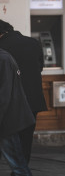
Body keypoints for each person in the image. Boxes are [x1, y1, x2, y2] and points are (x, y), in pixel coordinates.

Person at [0, 19, 47, 166]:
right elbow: (40, 67)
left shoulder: (2, 48)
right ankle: (21, 170)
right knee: (25, 140)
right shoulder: (33, 43)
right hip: (33, 99)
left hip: (11, 100)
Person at [0, 48, 35, 176]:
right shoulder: (4, 57)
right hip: (7, 119)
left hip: (7, 121)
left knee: (18, 166)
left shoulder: (3, 59)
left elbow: (4, 95)